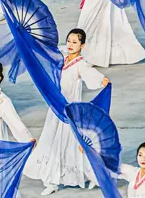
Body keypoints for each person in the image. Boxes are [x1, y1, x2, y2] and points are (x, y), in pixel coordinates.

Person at [25, 28, 109, 194]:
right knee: (51, 141)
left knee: (75, 143)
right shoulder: (62, 57)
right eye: (69, 41)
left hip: (69, 111)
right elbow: (46, 50)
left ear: (82, 45)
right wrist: (27, 37)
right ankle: (51, 180)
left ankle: (94, 175)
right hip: (56, 107)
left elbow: (91, 74)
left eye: (75, 42)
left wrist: (102, 80)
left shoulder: (81, 64)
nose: (70, 44)